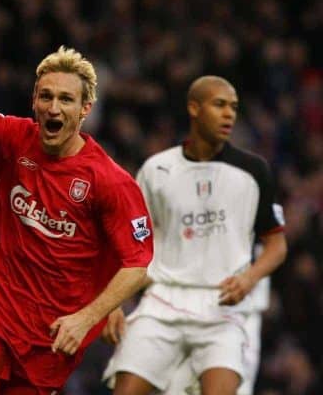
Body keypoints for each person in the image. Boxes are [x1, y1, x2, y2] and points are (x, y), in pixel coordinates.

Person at [0, 15, 153, 395]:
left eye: (66, 99)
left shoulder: (110, 181)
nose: (53, 107)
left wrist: (89, 317)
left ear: (85, 109)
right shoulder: (14, 138)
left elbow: (136, 265)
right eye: (46, 96)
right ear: (34, 101)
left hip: (50, 336)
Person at [102, 75, 287, 395]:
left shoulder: (254, 171)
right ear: (194, 108)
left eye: (233, 107)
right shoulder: (156, 170)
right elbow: (134, 244)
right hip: (162, 301)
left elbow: (276, 245)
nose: (229, 114)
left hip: (222, 308)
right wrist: (114, 302)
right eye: (219, 105)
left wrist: (249, 278)